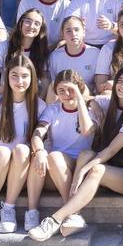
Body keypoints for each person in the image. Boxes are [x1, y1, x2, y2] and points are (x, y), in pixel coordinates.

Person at [29, 65, 123, 241]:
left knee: (94, 166)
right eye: (119, 81)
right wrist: (87, 99)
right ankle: (73, 215)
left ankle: (54, 220)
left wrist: (82, 171)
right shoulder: (106, 103)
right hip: (115, 167)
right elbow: (89, 97)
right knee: (86, 156)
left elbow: (110, 149)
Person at [26, 69, 98, 235]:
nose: (66, 94)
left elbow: (87, 130)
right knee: (48, 156)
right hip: (56, 166)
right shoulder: (53, 110)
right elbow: (38, 133)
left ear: (79, 88)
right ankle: (72, 213)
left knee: (55, 156)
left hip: (80, 167)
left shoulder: (91, 109)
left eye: (70, 90)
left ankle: (70, 212)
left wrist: (80, 99)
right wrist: (39, 151)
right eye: (61, 90)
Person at [0, 54, 41, 234]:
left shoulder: (39, 106)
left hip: (18, 175)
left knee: (21, 150)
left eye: (25, 76)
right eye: (14, 75)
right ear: (6, 77)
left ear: (32, 78)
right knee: (2, 152)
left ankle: (8, 209)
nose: (20, 81)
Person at [0, 9, 51, 97]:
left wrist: (37, 105)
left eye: (37, 24)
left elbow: (45, 84)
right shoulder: (4, 47)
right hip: (6, 96)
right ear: (20, 23)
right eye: (28, 21)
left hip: (31, 99)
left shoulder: (42, 51)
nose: (31, 26)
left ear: (41, 29)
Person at [48, 15, 101, 90]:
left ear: (83, 32)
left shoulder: (96, 53)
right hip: (63, 96)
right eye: (68, 31)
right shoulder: (55, 56)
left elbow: (99, 84)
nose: (73, 34)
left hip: (87, 97)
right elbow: (54, 85)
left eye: (76, 29)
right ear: (63, 35)